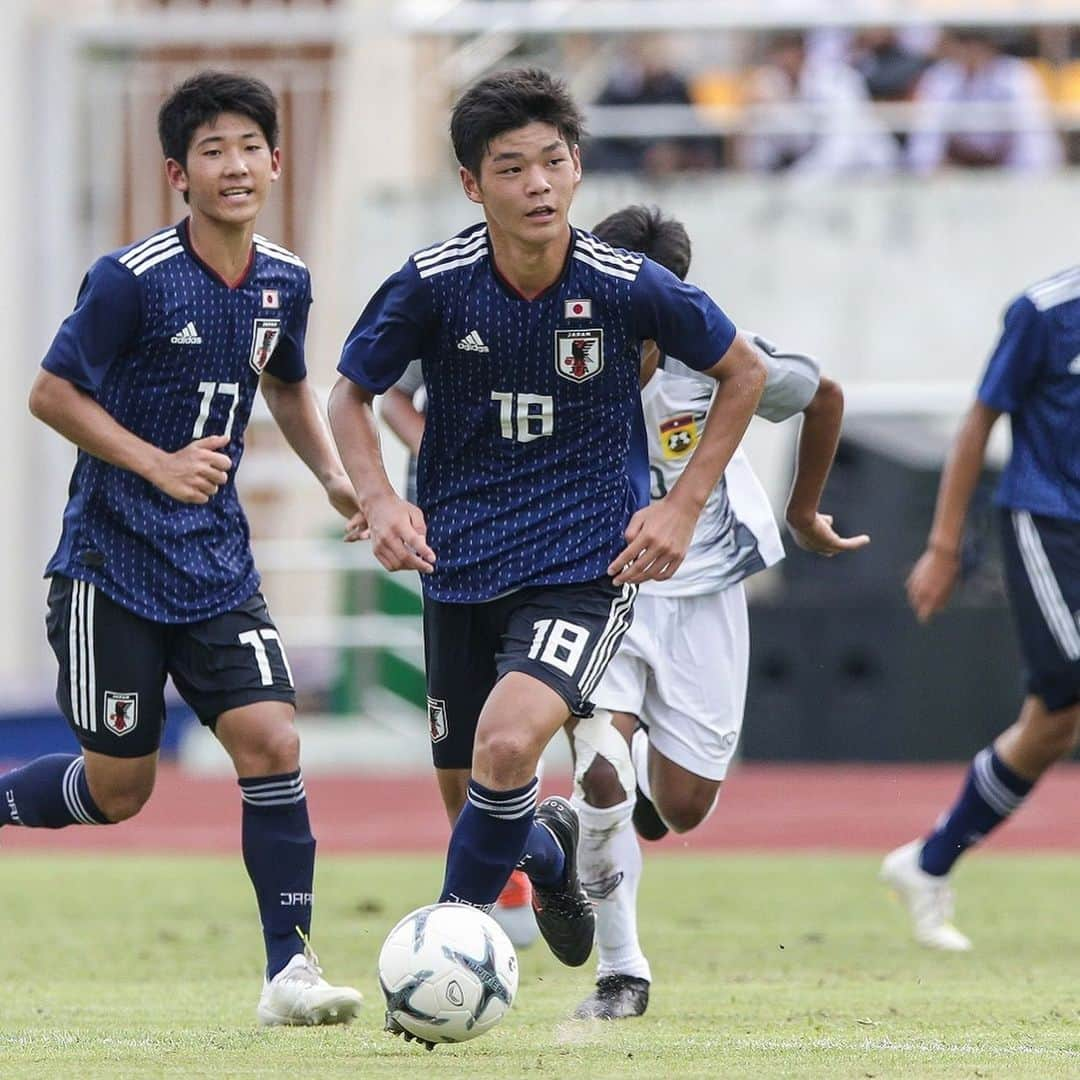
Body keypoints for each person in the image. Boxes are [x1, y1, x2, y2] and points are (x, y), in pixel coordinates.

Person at [328, 68, 765, 1024]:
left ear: (577, 170)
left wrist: (682, 506)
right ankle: (555, 863)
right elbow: (350, 396)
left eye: (554, 162)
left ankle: (438, 959)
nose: (537, 183)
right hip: (460, 562)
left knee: (507, 740)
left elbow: (746, 372)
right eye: (511, 166)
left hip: (582, 567)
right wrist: (377, 499)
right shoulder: (433, 284)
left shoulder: (626, 287)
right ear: (471, 183)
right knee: (473, 785)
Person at [2, 71, 365, 1025]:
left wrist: (333, 476)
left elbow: (286, 385)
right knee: (121, 791)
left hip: (215, 565)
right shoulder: (132, 278)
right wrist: (157, 464)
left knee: (272, 739)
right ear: (179, 173)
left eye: (251, 146)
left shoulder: (286, 279)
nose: (235, 164)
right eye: (213, 150)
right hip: (110, 566)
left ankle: (289, 973)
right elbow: (50, 392)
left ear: (276, 162)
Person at [564, 205, 868, 1020]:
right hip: (596, 590)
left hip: (703, 594)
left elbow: (825, 394)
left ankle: (644, 805)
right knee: (600, 776)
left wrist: (804, 513)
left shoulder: (719, 356)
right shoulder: (558, 345)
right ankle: (621, 970)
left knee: (686, 805)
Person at [881, 267, 1080, 950]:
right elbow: (977, 423)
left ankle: (928, 863)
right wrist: (943, 547)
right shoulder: (1045, 311)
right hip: (1049, 522)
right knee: (1073, 683)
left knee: (1052, 725)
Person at [906, 28, 1061, 174]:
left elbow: (1035, 141)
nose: (971, 51)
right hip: (955, 173)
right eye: (963, 42)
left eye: (977, 43)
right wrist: (933, 175)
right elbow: (925, 141)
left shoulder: (1017, 76)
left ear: (991, 45)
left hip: (1007, 171)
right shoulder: (939, 77)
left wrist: (1023, 183)